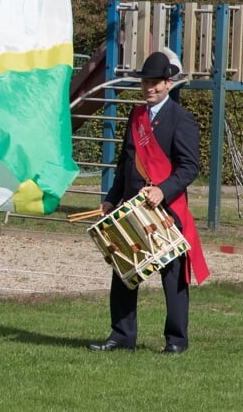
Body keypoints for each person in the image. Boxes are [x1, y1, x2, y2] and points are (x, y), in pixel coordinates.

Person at [88, 51, 210, 355]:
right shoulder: (136, 116)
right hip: (132, 209)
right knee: (124, 272)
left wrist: (163, 191)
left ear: (168, 83)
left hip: (165, 211)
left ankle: (176, 340)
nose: (149, 88)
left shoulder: (182, 119)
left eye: (155, 83)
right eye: (145, 83)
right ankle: (122, 336)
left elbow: (189, 167)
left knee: (173, 279)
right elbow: (125, 164)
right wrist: (111, 200)